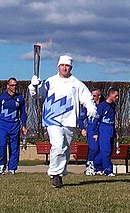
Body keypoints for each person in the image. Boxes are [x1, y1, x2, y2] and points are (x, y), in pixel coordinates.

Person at [28, 55, 96, 188]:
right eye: (62, 65)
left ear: (71, 67)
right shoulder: (50, 81)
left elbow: (87, 98)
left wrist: (91, 108)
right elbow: (37, 94)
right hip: (52, 119)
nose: (64, 68)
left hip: (70, 120)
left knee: (65, 149)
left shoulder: (76, 83)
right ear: (58, 66)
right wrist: (33, 85)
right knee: (58, 145)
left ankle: (60, 172)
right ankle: (55, 174)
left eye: (67, 66)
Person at [0, 77, 27, 175]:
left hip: (15, 125)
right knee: (2, 145)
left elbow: (23, 113)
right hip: (3, 124)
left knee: (14, 147)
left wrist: (23, 125)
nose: (14, 87)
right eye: (12, 85)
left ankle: (12, 168)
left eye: (15, 85)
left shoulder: (20, 98)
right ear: (8, 86)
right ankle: (2, 164)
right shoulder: (1, 98)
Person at [92, 87, 119, 177]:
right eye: (116, 96)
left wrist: (115, 131)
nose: (117, 98)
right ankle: (108, 170)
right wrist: (95, 133)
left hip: (110, 129)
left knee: (108, 151)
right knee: (106, 151)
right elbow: (96, 120)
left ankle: (96, 164)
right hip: (103, 130)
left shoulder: (113, 106)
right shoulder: (102, 106)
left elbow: (113, 120)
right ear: (110, 95)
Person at [77, 89, 104, 175]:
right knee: (94, 148)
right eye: (91, 96)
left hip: (102, 129)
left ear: (99, 96)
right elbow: (80, 119)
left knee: (102, 149)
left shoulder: (103, 106)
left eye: (94, 96)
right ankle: (89, 165)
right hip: (91, 129)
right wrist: (82, 128)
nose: (92, 98)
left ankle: (98, 167)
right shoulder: (88, 107)